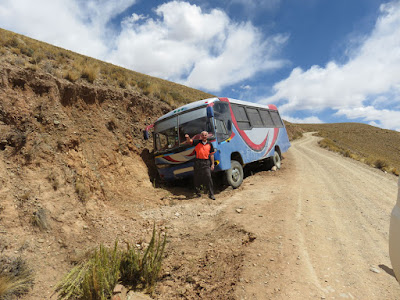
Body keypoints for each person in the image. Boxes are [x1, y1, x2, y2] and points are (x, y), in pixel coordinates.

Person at [185, 131, 216, 200]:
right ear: (201, 136)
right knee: (197, 178)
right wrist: (188, 137)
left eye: (205, 135)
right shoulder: (197, 142)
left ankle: (211, 194)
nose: (204, 136)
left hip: (206, 162)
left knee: (208, 177)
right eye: (203, 135)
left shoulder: (210, 144)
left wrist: (213, 164)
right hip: (197, 162)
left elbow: (211, 155)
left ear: (207, 136)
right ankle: (197, 193)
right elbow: (189, 141)